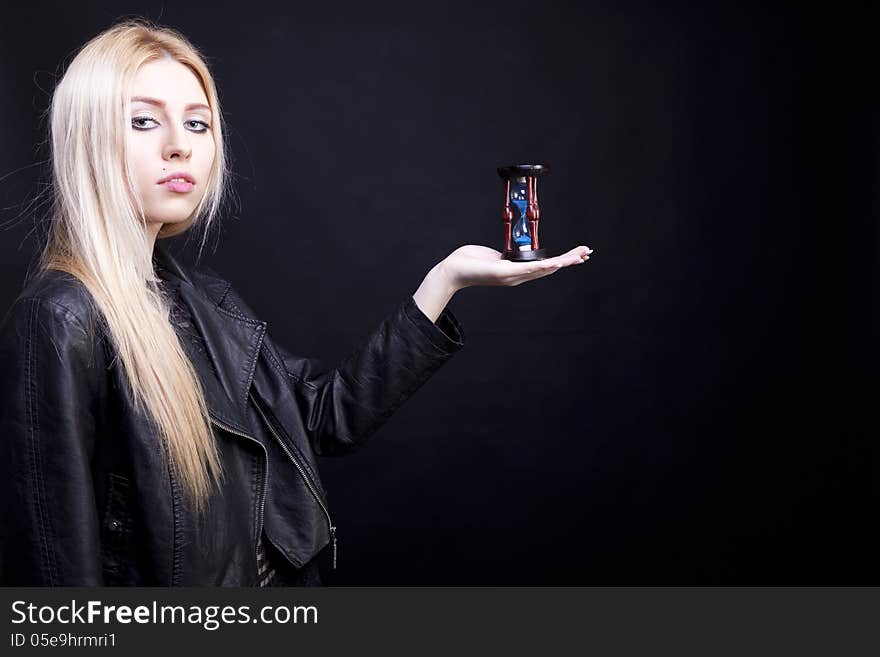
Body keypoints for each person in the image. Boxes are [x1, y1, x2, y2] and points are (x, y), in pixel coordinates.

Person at [0, 18, 592, 586]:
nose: (180, 147)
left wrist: (446, 281)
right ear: (87, 140)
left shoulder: (201, 301)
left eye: (198, 124)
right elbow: (56, 577)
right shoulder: (61, 320)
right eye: (144, 122)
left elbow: (321, 421)